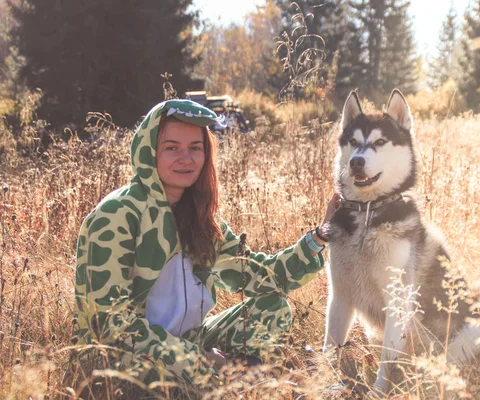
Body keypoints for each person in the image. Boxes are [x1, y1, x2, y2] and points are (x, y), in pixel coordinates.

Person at [73, 99, 339, 385]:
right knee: (215, 374)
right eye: (172, 147)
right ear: (149, 151)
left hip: (188, 343)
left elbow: (264, 278)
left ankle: (248, 379)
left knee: (272, 308)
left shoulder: (200, 218)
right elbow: (113, 326)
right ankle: (244, 380)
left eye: (195, 148)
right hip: (121, 358)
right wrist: (202, 361)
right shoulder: (118, 215)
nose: (185, 158)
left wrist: (320, 236)